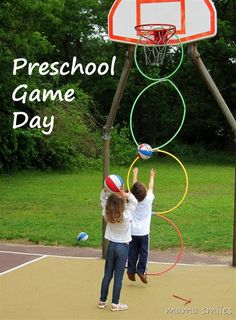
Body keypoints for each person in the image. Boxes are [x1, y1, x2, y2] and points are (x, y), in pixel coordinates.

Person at [98, 186, 138, 312]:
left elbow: (102, 199)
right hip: (123, 248)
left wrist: (106, 190)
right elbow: (134, 202)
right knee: (118, 277)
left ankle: (102, 301)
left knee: (107, 275)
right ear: (122, 204)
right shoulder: (126, 214)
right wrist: (125, 194)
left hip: (111, 247)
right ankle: (115, 304)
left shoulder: (107, 213)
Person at [127, 167, 157, 284]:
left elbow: (134, 186)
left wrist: (135, 173)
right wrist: (152, 176)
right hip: (144, 233)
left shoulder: (132, 199)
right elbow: (151, 187)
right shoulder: (148, 198)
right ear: (144, 192)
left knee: (132, 251)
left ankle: (130, 270)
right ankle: (141, 270)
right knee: (144, 252)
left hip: (132, 232)